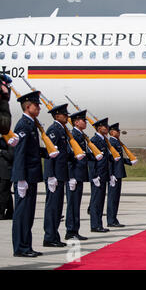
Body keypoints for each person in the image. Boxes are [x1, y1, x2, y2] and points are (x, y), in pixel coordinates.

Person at [11, 91, 50, 257]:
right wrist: (20, 179)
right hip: (25, 177)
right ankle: (20, 248)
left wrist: (48, 152)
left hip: (31, 176)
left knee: (29, 214)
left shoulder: (31, 124)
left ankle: (27, 245)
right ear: (28, 107)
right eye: (36, 105)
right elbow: (19, 153)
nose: (39, 108)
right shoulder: (23, 125)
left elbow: (31, 151)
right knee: (22, 214)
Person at [43, 103, 76, 248]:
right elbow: (51, 154)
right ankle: (49, 237)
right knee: (52, 208)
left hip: (61, 174)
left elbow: (64, 154)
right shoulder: (54, 130)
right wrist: (50, 175)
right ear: (57, 116)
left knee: (57, 208)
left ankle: (54, 236)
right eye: (65, 115)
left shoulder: (62, 130)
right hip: (54, 176)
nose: (67, 117)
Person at [65, 110, 92, 240]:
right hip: (74, 175)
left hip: (80, 174)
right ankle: (70, 231)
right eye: (83, 120)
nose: (85, 122)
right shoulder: (73, 135)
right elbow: (70, 157)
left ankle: (75, 230)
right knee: (72, 203)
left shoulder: (80, 135)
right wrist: (71, 176)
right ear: (76, 122)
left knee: (76, 204)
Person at [107, 123, 134, 228]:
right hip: (114, 174)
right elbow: (109, 160)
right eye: (117, 131)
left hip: (118, 173)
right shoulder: (111, 143)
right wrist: (111, 174)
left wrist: (130, 161)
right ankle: (111, 220)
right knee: (112, 198)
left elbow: (119, 159)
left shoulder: (116, 142)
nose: (119, 133)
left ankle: (114, 219)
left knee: (116, 198)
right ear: (112, 132)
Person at [89, 118, 113, 233]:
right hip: (98, 176)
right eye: (105, 127)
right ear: (99, 128)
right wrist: (94, 176)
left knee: (100, 201)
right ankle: (95, 225)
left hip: (103, 175)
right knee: (96, 202)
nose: (107, 129)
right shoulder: (94, 140)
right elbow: (92, 160)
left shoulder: (103, 140)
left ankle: (99, 224)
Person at [0, 134, 14, 220]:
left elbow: (11, 156)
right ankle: (10, 212)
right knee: (6, 193)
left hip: (6, 172)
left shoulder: (10, 141)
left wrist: (1, 152)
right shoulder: (2, 140)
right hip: (2, 171)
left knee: (3, 193)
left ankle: (1, 213)